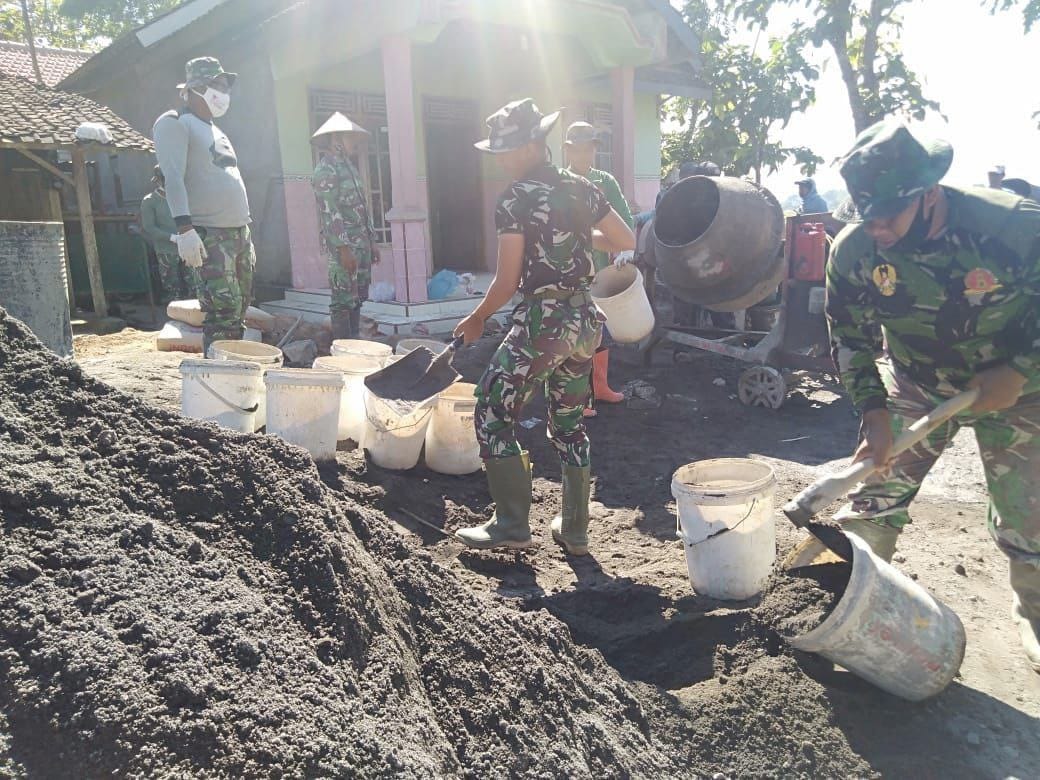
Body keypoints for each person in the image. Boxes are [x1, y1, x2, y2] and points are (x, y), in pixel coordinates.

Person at [826, 118, 1040, 673]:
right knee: (871, 497)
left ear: (929, 195)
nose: (876, 229)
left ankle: (1036, 613)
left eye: (888, 216)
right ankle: (849, 611)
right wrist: (873, 409)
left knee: (1031, 515)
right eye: (865, 216)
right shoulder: (855, 253)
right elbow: (848, 336)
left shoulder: (1010, 228)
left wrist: (1019, 366)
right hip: (919, 384)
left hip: (1021, 391)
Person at [452, 99, 635, 555]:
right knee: (570, 424)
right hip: (585, 323)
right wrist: (572, 233)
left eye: (506, 149)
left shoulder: (514, 199)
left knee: (493, 411)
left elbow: (507, 280)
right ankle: (574, 531)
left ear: (532, 145)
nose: (500, 158)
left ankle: (511, 524)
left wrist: (476, 319)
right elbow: (623, 240)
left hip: (543, 324)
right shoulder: (582, 188)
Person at [153, 57, 253, 355]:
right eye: (216, 85)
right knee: (222, 314)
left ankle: (235, 377)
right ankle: (219, 378)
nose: (223, 93)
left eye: (225, 87)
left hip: (239, 233)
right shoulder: (175, 122)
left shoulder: (214, 129)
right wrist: (185, 229)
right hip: (210, 235)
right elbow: (173, 176)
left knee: (238, 309)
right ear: (195, 88)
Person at [563, 120, 634, 416]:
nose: (585, 155)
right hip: (568, 270)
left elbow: (623, 219)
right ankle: (572, 400)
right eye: (578, 150)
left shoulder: (605, 182)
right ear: (568, 150)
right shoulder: (558, 183)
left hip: (600, 267)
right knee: (571, 334)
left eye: (589, 149)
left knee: (596, 329)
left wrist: (626, 248)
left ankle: (599, 388)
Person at [311, 113, 378, 340]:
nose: (354, 144)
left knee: (357, 297)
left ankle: (355, 344)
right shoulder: (325, 170)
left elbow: (361, 206)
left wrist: (372, 241)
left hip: (361, 245)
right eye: (350, 139)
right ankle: (343, 350)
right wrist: (343, 249)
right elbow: (331, 214)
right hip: (344, 248)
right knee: (342, 302)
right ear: (335, 139)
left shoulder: (349, 166)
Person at [139, 165, 200, 303]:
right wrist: (172, 238)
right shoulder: (150, 201)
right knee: (172, 288)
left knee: (194, 284)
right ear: (158, 181)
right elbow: (149, 227)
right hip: (166, 249)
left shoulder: (182, 196)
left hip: (187, 246)